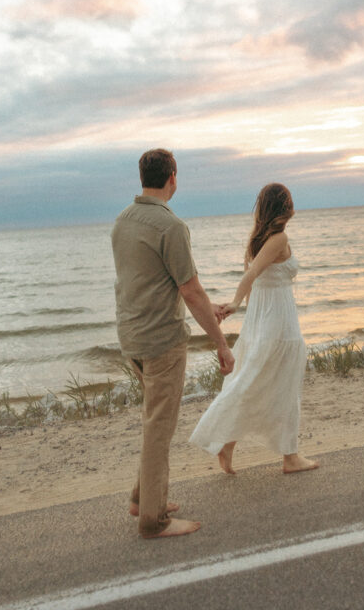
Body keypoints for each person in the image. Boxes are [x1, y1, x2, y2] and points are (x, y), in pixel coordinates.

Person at [111, 148, 235, 539]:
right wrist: (221, 343)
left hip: (132, 337)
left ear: (142, 176)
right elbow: (190, 289)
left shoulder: (122, 221)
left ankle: (141, 499)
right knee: (159, 429)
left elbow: (152, 281)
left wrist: (204, 306)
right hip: (161, 340)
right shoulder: (170, 226)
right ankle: (153, 520)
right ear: (173, 178)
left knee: (154, 421)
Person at [189, 182, 318, 475]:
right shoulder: (279, 238)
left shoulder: (254, 240)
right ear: (285, 206)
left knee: (253, 383)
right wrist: (235, 303)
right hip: (279, 324)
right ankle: (290, 457)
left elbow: (254, 282)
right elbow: (252, 274)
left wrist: (244, 312)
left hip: (262, 323)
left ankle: (228, 442)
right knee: (279, 387)